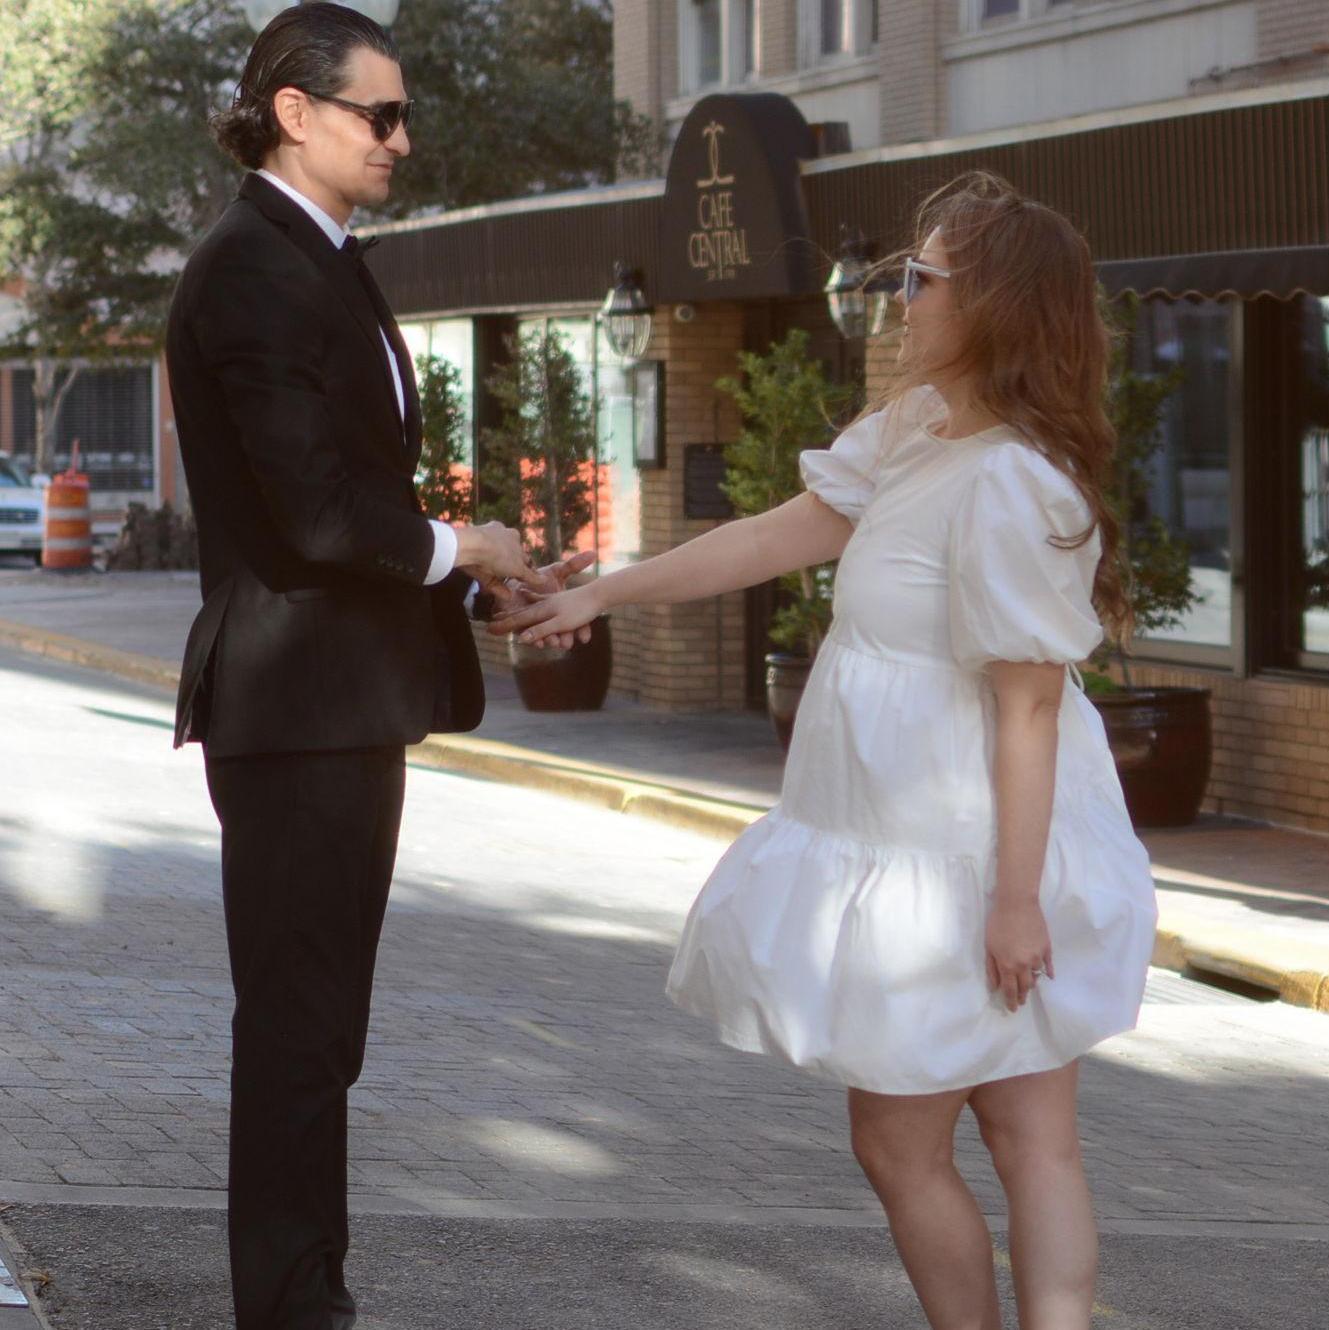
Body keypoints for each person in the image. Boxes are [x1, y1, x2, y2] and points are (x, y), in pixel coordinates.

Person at [494, 172, 1158, 1330]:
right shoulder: (917, 431)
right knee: (992, 1137)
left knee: (985, 1138)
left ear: (991, 304)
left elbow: (1031, 708)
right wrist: (601, 593)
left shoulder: (1014, 481)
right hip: (912, 842)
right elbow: (769, 536)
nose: (902, 296)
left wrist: (1014, 903)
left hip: (975, 861)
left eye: (923, 278)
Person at [166, 6, 586, 1327]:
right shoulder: (252, 264)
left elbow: (352, 497)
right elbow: (314, 513)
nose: (401, 139)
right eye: (380, 114)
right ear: (295, 111)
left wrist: (475, 577)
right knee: (299, 1029)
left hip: (341, 701)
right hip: (294, 705)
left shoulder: (321, 256)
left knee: (323, 1028)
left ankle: (308, 1291)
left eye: (404, 117)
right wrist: (465, 541)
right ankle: (294, 1305)